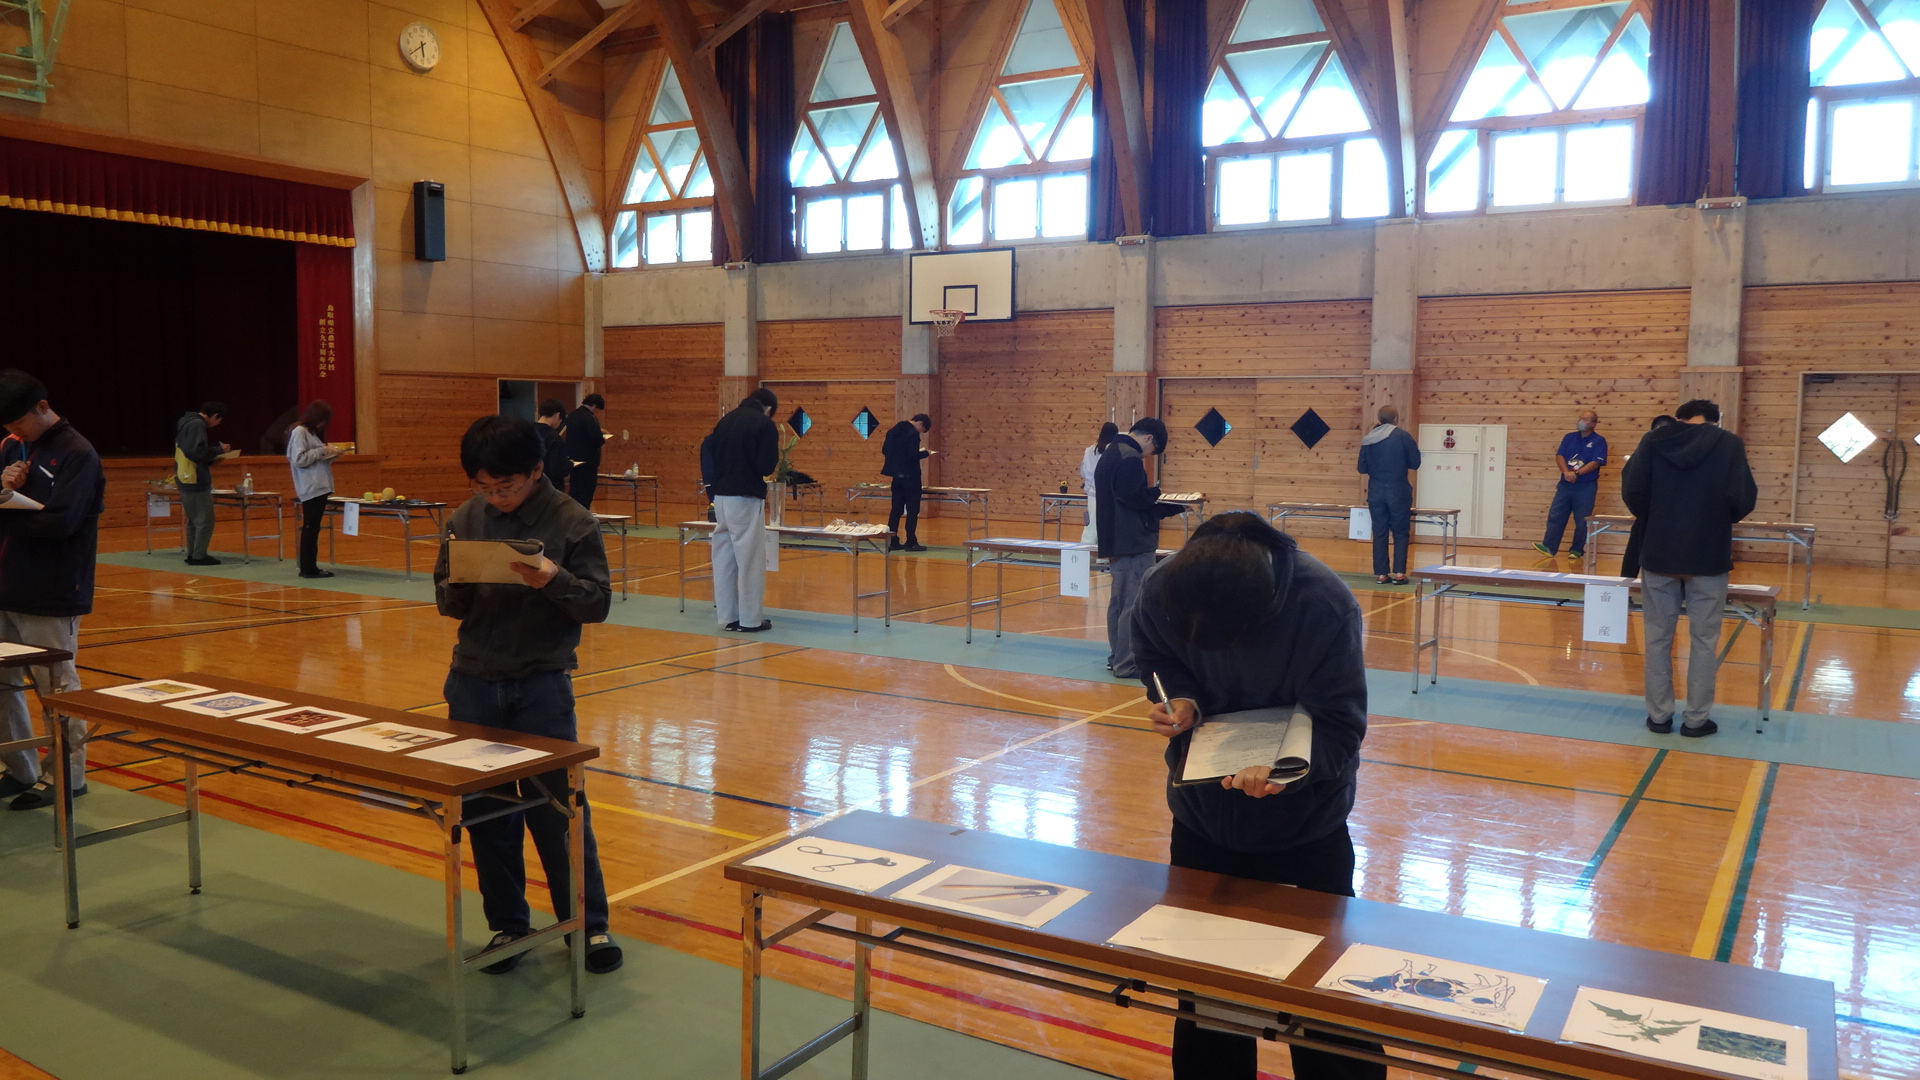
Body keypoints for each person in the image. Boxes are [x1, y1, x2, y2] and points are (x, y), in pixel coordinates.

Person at [1129, 513, 1383, 1080]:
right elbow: (1156, 661)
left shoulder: (1323, 605)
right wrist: (1180, 698)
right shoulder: (1162, 588)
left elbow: (1341, 726)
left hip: (1306, 829)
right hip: (1203, 822)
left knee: (1325, 1002)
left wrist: (1289, 769)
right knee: (1211, 1001)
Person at [432, 415, 622, 975]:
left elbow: (598, 603)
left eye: (506, 486)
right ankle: (509, 927)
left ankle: (588, 925)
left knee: (559, 809)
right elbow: (446, 601)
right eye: (485, 487)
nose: (496, 497)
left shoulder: (573, 520)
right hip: (473, 681)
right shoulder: (465, 519)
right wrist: (459, 583)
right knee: (486, 811)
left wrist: (553, 580)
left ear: (537, 471)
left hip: (541, 684)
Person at [0, 369, 105, 812]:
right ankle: (19, 767)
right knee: (3, 684)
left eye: (19, 422)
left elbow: (62, 521)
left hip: (53, 588)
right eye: (7, 426)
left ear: (43, 407)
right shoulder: (13, 446)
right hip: (7, 584)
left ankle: (66, 776)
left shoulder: (78, 453)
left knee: (56, 688)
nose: (14, 432)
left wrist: (4, 511)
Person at [1621, 399, 1757, 739]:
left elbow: (1633, 491)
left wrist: (1657, 516)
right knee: (1704, 641)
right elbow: (1743, 497)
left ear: (1679, 418)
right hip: (1708, 554)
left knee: (1657, 639)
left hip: (1659, 552)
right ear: (1715, 420)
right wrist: (1716, 518)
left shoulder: (1653, 440)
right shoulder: (1729, 444)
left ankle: (1659, 716)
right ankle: (1696, 720)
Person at [1094, 417, 1185, 678]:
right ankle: (1126, 664)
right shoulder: (1129, 456)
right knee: (1132, 606)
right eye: (1152, 450)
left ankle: (1117, 658)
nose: (1149, 455)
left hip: (1116, 539)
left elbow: (1126, 498)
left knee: (1119, 603)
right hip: (1131, 541)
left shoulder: (1112, 451)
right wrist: (1159, 496)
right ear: (1148, 438)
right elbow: (1133, 498)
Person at [700, 388, 780, 632]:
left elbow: (708, 451)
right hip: (745, 498)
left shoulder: (726, 420)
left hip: (721, 498)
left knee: (724, 560)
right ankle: (750, 620)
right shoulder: (764, 424)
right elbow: (766, 466)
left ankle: (728, 617)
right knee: (750, 561)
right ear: (768, 408)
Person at [1356, 406, 1421, 585]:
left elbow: (1361, 468)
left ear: (1379, 418)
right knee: (1400, 532)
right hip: (1398, 491)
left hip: (1376, 492)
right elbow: (1415, 463)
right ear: (1396, 419)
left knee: (1379, 533)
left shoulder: (1368, 439)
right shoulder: (1403, 437)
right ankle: (1399, 573)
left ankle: (1381, 575)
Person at [1533, 410, 1608, 560]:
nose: (1581, 421)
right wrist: (1566, 472)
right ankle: (1549, 546)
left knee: (1582, 519)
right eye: (1580, 418)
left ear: (1594, 423)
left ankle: (1577, 549)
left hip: (1585, 486)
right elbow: (1559, 456)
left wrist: (1577, 474)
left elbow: (1595, 462)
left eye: (1585, 419)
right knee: (1556, 514)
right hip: (1565, 483)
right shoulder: (1569, 437)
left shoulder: (1599, 441)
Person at [286, 401, 344, 580]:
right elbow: (299, 459)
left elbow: (317, 460)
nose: (323, 424)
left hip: (320, 486)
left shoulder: (312, 434)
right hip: (311, 487)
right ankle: (308, 567)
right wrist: (322, 450)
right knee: (310, 528)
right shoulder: (299, 432)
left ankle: (310, 565)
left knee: (314, 528)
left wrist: (332, 455)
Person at [1619, 415, 1678, 579]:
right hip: (1649, 513)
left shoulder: (1682, 452)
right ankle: (1625, 586)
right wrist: (1641, 510)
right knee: (1634, 551)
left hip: (1673, 515)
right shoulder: (1643, 452)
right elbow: (1630, 484)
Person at [175, 401, 229, 566]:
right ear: (215, 416)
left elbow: (190, 451)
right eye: (219, 420)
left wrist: (211, 458)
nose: (217, 424)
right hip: (194, 477)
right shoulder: (197, 424)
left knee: (194, 520)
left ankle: (193, 554)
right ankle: (199, 556)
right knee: (205, 520)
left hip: (184, 474)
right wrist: (219, 451)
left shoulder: (187, 422)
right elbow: (197, 452)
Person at [880, 413, 936, 551]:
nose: (920, 432)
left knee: (896, 510)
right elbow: (912, 455)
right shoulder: (912, 434)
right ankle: (911, 541)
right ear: (920, 424)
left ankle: (892, 540)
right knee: (912, 510)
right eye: (922, 430)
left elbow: (884, 450)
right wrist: (926, 453)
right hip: (911, 477)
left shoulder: (893, 431)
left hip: (896, 476)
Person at [563, 393, 606, 509]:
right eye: (597, 409)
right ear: (594, 405)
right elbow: (596, 439)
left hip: (574, 460)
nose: (596, 412)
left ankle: (572, 513)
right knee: (586, 491)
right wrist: (602, 438)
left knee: (575, 489)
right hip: (588, 461)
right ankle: (583, 514)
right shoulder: (590, 418)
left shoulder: (572, 415)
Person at [1079, 422, 1119, 545]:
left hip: (1093, 494)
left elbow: (1083, 471)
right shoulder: (1113, 451)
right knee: (1106, 528)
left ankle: (1085, 553)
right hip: (1108, 495)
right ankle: (1097, 554)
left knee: (1092, 528)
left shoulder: (1089, 450)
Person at [537, 399, 572, 493]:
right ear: (557, 415)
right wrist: (569, 465)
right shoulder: (555, 438)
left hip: (526, 486)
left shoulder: (525, 432)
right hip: (549, 487)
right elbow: (557, 469)